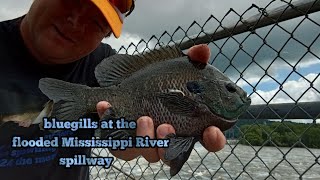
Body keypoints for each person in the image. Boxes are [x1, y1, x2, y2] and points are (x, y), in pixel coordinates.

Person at [0, 0, 226, 179]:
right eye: (71, 0)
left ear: (105, 35)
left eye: (96, 22)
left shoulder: (102, 62)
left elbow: (118, 142)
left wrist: (131, 144)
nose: (75, 21)